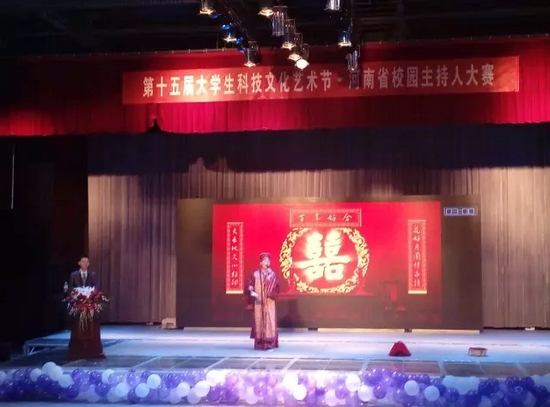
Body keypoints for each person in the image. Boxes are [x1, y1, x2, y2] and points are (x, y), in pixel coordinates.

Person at [245, 252, 280, 351]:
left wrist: (270, 277)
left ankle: (270, 343)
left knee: (270, 321)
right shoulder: (255, 274)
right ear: (260, 263)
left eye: (268, 260)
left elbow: (277, 287)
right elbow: (249, 285)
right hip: (258, 302)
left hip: (269, 302)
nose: (267, 262)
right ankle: (260, 343)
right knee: (259, 320)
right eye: (264, 261)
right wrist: (250, 288)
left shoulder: (273, 274)